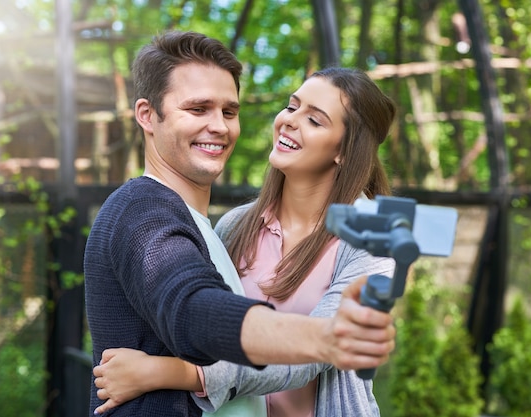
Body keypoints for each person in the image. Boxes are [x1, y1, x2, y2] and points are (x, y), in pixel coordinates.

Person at [84, 30, 396, 417]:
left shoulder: (371, 235)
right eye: (291, 106)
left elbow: (308, 358)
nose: (288, 122)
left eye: (229, 112)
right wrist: (324, 337)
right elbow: (194, 310)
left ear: (345, 152)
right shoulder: (218, 223)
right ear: (147, 116)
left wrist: (172, 372)